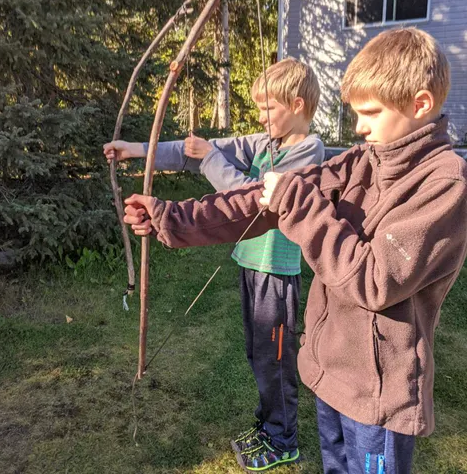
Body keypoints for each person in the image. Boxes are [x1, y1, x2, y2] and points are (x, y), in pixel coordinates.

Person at [122, 28, 467, 474]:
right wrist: (172, 218)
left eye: (371, 113)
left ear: (420, 105)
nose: (359, 127)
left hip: (379, 394)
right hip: (331, 374)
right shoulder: (361, 160)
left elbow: (376, 281)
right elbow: (256, 202)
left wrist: (298, 204)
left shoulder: (443, 182)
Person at [104, 57, 324, 471]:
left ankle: (284, 439)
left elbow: (256, 198)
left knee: (275, 360)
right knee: (257, 354)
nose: (261, 117)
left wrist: (209, 158)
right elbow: (192, 152)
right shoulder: (266, 143)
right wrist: (136, 150)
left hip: (277, 275)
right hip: (252, 267)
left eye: (268, 109)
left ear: (297, 105)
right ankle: (267, 425)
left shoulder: (309, 151)